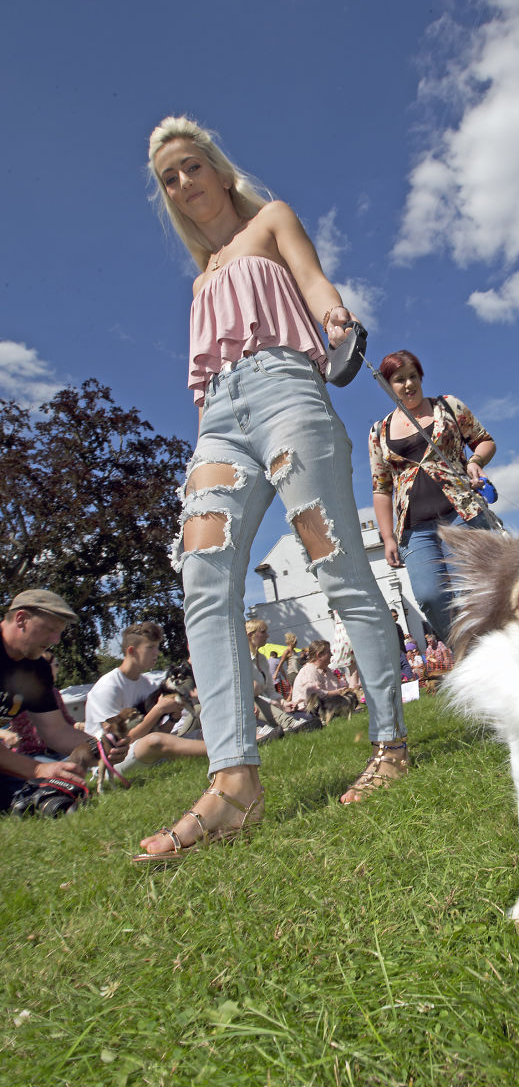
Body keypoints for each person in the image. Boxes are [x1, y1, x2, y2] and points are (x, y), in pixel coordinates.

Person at [136, 117, 406, 859]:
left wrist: (335, 317)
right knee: (202, 577)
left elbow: (314, 283)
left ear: (219, 170)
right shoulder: (201, 278)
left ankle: (389, 743)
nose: (183, 183)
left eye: (191, 166)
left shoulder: (271, 221)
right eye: (169, 178)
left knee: (335, 563)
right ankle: (234, 784)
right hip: (219, 423)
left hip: (286, 392)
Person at [369, 350, 496, 642]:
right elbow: (381, 488)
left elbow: (484, 441)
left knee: (469, 589)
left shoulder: (448, 406)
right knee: (430, 596)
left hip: (461, 515)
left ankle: (492, 648)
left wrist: (475, 461)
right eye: (399, 379)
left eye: (413, 376)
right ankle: (464, 651)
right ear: (386, 385)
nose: (409, 384)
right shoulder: (378, 432)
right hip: (415, 530)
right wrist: (388, 538)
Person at [0, 591, 95, 811]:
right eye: (50, 629)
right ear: (21, 619)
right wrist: (37, 769)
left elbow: (56, 732)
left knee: (50, 797)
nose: (55, 640)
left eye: (59, 633)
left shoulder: (36, 668)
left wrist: (100, 748)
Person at [84, 621, 207, 781]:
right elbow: (121, 741)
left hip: (145, 752)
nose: (157, 653)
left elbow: (161, 732)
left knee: (198, 734)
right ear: (131, 651)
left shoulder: (148, 685)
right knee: (153, 741)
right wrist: (158, 709)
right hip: (108, 762)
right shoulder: (108, 687)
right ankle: (224, 752)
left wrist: (173, 718)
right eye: (150, 647)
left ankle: (231, 748)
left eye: (157, 647)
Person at [287, 639, 353, 709]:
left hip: (324, 706)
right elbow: (313, 693)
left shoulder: (326, 670)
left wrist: (343, 690)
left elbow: (335, 687)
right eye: (328, 652)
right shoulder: (309, 670)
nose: (331, 654)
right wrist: (336, 692)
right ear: (319, 655)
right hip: (307, 710)